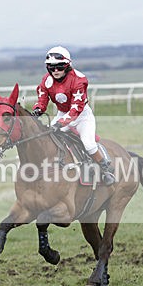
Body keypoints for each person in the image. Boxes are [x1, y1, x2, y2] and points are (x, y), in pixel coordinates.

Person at [31, 46, 115, 185]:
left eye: (59, 66)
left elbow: (76, 108)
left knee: (88, 144)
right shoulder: (46, 80)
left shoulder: (79, 80)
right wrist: (37, 110)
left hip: (82, 116)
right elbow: (42, 100)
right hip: (62, 114)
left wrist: (62, 123)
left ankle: (105, 169)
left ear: (67, 65)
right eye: (52, 68)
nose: (55, 71)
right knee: (46, 138)